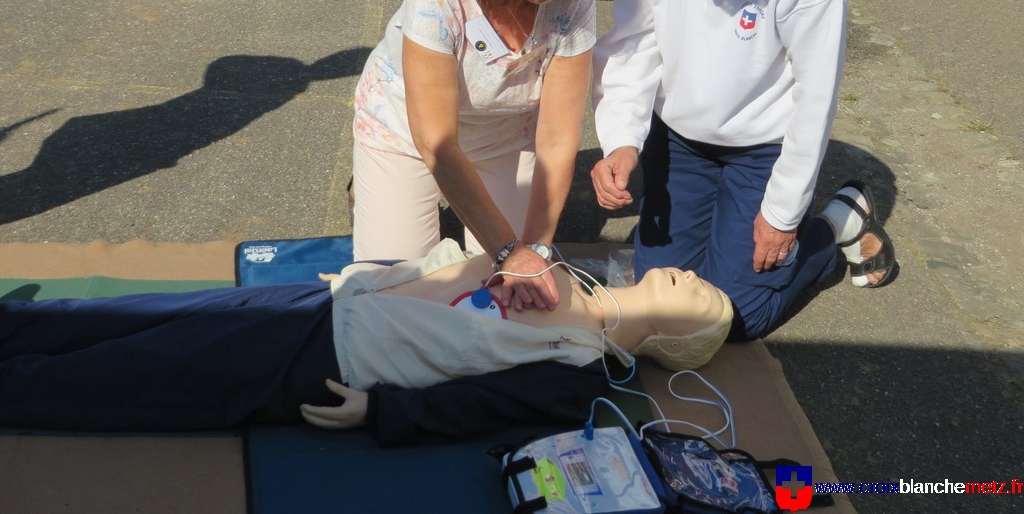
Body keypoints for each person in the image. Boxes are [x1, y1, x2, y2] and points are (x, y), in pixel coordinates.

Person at [590, 0, 897, 341]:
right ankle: (752, 235)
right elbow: (635, 35)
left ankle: (832, 225)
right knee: (665, 301)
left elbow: (814, 97)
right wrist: (621, 138)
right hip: (680, 135)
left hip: (762, 146)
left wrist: (781, 214)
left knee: (731, 317)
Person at [0, 240, 733, 446]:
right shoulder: (565, 265)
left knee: (135, 372)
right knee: (137, 318)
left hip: (327, 363)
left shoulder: (577, 372)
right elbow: (462, 268)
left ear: (679, 337)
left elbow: (478, 407)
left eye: (696, 295)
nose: (686, 276)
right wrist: (386, 274)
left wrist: (380, 414)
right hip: (330, 301)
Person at [351, 0, 599, 314]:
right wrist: (509, 250)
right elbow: (436, 140)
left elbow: (560, 138)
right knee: (399, 297)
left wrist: (535, 251)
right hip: (408, 133)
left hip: (503, 136)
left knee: (510, 295)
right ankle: (379, 185)